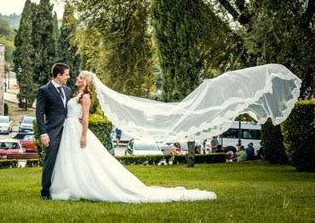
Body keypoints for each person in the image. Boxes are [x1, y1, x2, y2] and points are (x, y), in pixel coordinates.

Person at [49, 71, 217, 203]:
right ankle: (72, 185)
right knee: (72, 159)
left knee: (84, 158)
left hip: (77, 131)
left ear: (86, 81)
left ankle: (82, 187)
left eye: (79, 77)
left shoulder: (85, 96)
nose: (76, 78)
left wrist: (84, 135)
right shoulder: (75, 94)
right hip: (70, 129)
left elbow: (86, 118)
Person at [36, 63, 71, 200]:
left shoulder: (68, 90)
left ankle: (64, 188)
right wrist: (43, 133)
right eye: (66, 74)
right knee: (50, 161)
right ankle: (45, 191)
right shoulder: (44, 90)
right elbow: (39, 114)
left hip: (68, 131)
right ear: (58, 75)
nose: (68, 77)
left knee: (67, 160)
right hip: (52, 132)